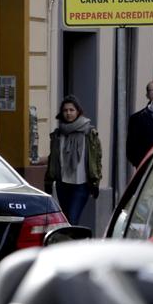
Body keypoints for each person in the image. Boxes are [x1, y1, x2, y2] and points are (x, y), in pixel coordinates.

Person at [44, 95, 102, 225]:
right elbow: (52, 159)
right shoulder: (58, 134)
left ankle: (72, 243)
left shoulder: (88, 132)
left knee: (72, 218)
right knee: (66, 220)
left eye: (71, 110)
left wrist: (96, 182)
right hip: (62, 184)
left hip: (81, 184)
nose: (68, 113)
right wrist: (48, 181)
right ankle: (72, 242)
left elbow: (96, 158)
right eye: (65, 110)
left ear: (78, 111)